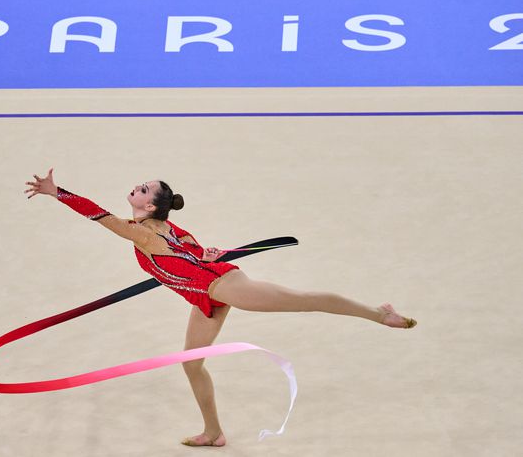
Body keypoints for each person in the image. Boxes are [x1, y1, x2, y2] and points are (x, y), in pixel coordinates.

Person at [25, 168, 416, 448]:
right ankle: (213, 433)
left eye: (144, 188)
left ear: (153, 203)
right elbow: (197, 252)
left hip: (225, 285)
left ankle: (380, 314)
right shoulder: (171, 229)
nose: (137, 188)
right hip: (206, 297)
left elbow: (98, 215)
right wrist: (208, 251)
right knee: (191, 362)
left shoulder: (141, 233)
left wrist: (57, 192)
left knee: (303, 300)